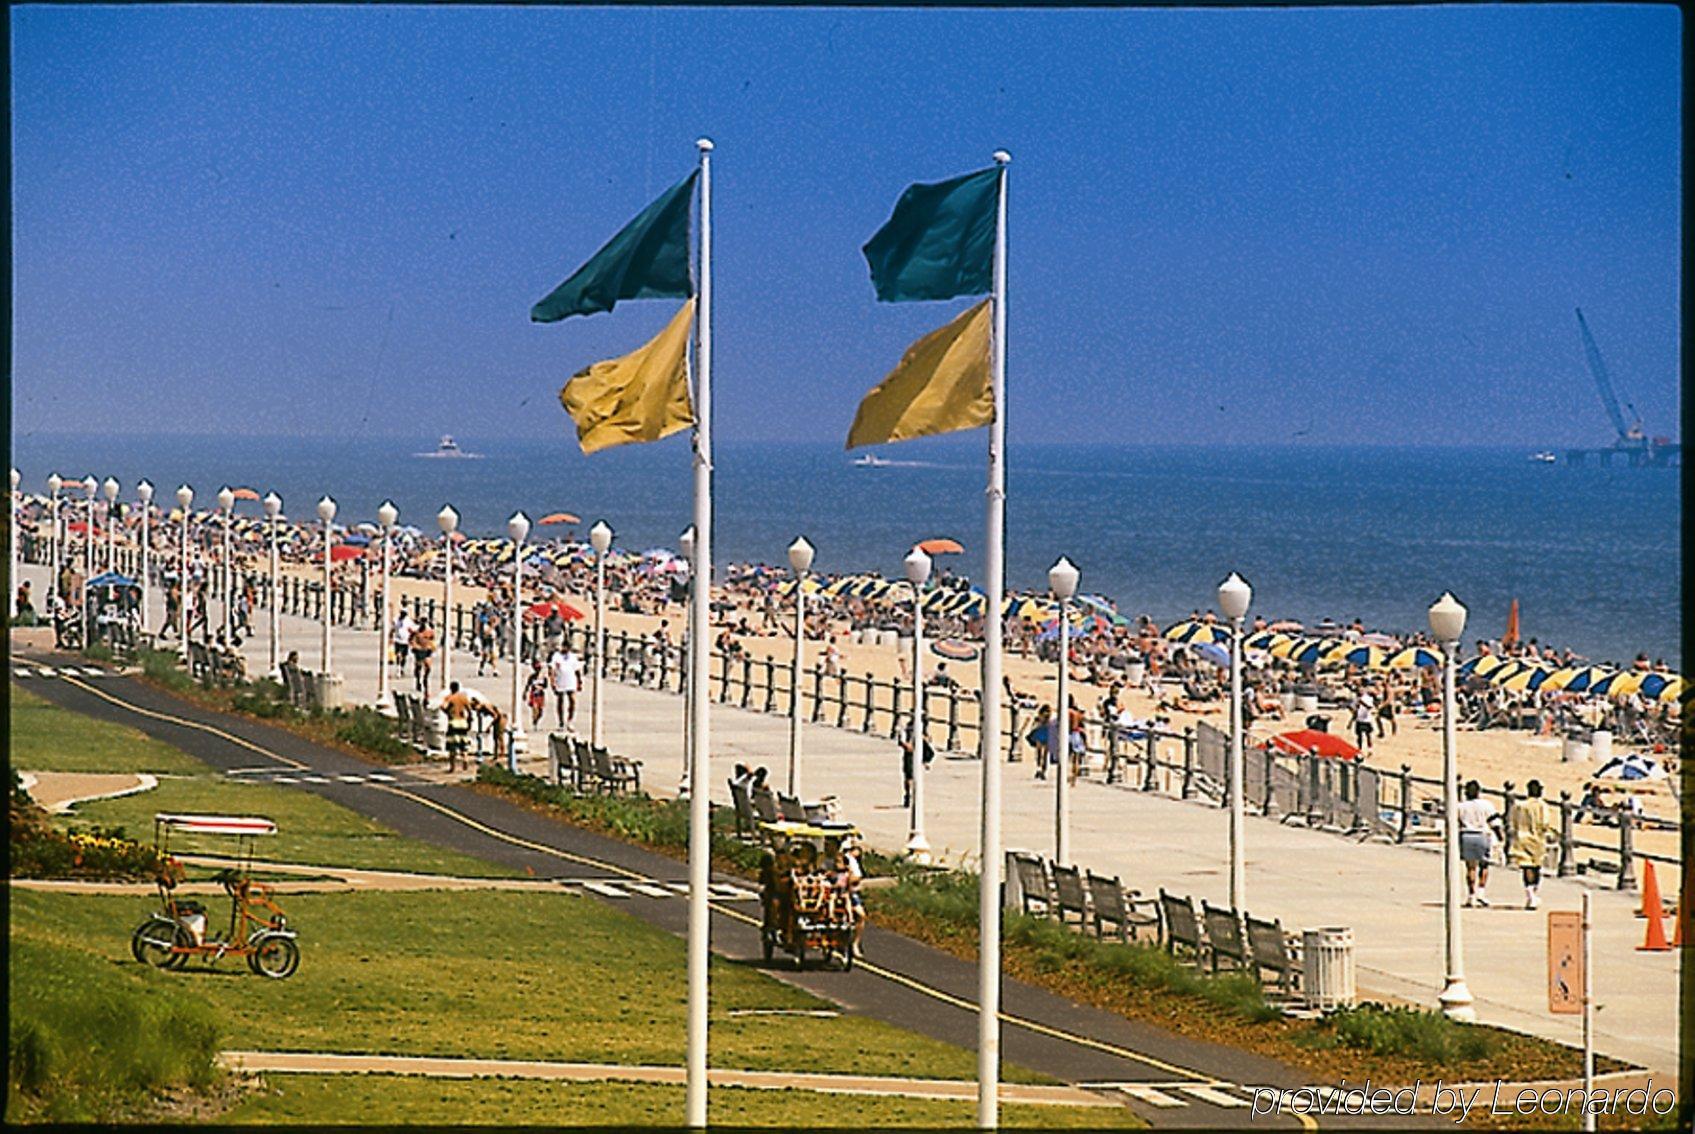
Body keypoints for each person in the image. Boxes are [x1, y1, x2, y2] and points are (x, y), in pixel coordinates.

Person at [1508, 779, 1559, 910]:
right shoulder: (1542, 806)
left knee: (1526, 867)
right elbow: (1545, 823)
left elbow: (1512, 822)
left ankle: (1530, 894)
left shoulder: (1519, 805)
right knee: (1536, 867)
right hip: (1537, 839)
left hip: (1522, 838)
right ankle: (1533, 894)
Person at [1455, 780, 1502, 906]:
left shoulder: (1460, 806)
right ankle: (1481, 891)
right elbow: (1494, 823)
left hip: (1466, 835)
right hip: (1482, 835)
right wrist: (1500, 836)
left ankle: (1471, 895)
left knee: (1470, 867)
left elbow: (1455, 822)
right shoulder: (1487, 805)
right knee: (1484, 865)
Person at [899, 717, 935, 808]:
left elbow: (928, 739)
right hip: (910, 753)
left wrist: (925, 737)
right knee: (909, 776)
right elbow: (901, 740)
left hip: (919, 748)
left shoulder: (923, 726)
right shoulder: (906, 727)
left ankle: (925, 761)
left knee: (930, 753)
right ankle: (908, 794)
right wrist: (906, 745)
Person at [440, 681, 473, 773]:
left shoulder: (450, 698)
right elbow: (469, 711)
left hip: (454, 722)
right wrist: (470, 722)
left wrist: (446, 711)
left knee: (452, 746)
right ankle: (465, 759)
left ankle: (452, 767)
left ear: (451, 688)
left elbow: (444, 707)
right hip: (463, 722)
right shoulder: (463, 698)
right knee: (463, 744)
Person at [548, 642, 582, 729]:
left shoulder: (573, 657)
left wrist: (579, 681)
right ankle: (561, 722)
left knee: (572, 701)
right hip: (560, 681)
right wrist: (552, 682)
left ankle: (570, 720)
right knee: (560, 702)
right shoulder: (556, 656)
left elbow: (577, 670)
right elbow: (551, 669)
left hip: (571, 682)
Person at [411, 621, 436, 695]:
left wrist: (431, 646)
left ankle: (425, 677)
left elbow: (432, 639)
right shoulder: (416, 632)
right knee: (418, 666)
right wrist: (415, 645)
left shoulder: (429, 631)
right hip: (419, 651)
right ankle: (418, 680)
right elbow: (411, 639)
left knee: (428, 666)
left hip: (426, 651)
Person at [523, 659, 548, 727]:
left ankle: (536, 720)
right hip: (533, 695)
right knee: (535, 708)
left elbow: (546, 686)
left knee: (540, 712)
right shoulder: (532, 677)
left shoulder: (543, 678)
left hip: (541, 695)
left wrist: (540, 687)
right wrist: (524, 693)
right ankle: (534, 721)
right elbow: (528, 685)